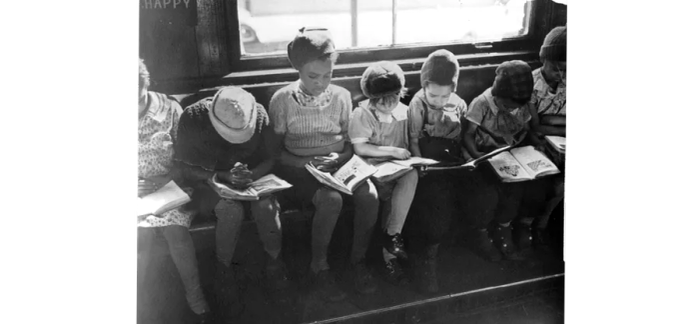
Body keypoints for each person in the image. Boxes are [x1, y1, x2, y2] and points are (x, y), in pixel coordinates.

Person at [268, 27, 379, 301]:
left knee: (370, 195)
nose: (321, 83)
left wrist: (341, 158)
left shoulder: (341, 96)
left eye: (328, 74)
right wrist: (306, 161)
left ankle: (357, 262)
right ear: (298, 70)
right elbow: (274, 154)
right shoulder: (282, 100)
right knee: (331, 200)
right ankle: (319, 267)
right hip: (298, 167)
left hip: (338, 162)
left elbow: (351, 141)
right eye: (313, 76)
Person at [173, 86, 288, 321]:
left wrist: (253, 173)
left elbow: (270, 157)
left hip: (251, 181)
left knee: (265, 207)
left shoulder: (259, 114)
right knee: (230, 210)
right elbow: (185, 167)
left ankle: (274, 261)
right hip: (209, 183)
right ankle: (223, 270)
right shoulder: (193, 118)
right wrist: (221, 176)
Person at [136, 57, 211, 323]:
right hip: (138, 196)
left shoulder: (169, 109)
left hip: (171, 188)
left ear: (145, 84)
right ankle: (140, 306)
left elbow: (187, 157)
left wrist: (166, 178)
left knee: (176, 234)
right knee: (140, 239)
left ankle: (195, 297)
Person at [404, 49, 481, 293]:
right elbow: (414, 139)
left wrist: (469, 159)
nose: (439, 101)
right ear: (424, 86)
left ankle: (466, 248)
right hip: (427, 158)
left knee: (477, 188)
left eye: (444, 96)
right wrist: (420, 161)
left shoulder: (458, 103)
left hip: (452, 157)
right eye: (433, 95)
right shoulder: (418, 103)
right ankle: (427, 257)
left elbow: (462, 135)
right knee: (437, 200)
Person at [463, 60, 541, 261]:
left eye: (514, 107)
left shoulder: (521, 104)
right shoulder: (481, 104)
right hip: (485, 154)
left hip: (511, 153)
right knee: (486, 195)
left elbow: (527, 129)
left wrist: (535, 147)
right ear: (498, 95)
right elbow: (468, 135)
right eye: (506, 106)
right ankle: (480, 234)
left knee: (516, 190)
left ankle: (503, 229)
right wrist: (476, 156)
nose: (509, 110)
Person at [349, 61, 418, 286]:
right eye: (381, 98)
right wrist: (393, 151)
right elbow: (361, 147)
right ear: (370, 97)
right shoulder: (363, 114)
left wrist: (418, 159)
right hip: (372, 170)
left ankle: (392, 240)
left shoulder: (405, 112)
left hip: (396, 170)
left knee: (410, 178)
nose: (388, 103)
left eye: (394, 96)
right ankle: (385, 254)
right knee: (384, 197)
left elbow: (411, 142)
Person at [525, 24, 568, 247]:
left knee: (562, 185)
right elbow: (536, 129)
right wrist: (550, 124)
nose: (561, 76)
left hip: (562, 146)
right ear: (544, 61)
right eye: (555, 69)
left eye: (566, 70)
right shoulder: (531, 84)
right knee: (544, 184)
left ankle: (544, 223)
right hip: (538, 145)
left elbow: (544, 123)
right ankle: (530, 224)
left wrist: (549, 120)